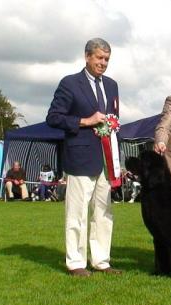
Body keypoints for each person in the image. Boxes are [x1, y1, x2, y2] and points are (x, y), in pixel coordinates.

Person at [46, 38, 122, 277]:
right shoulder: (70, 83)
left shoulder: (112, 85)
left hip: (106, 160)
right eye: (99, 58)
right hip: (80, 157)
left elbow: (112, 119)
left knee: (103, 212)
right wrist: (85, 121)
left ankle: (101, 261)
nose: (103, 63)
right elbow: (53, 117)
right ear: (87, 56)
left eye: (107, 59)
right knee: (77, 213)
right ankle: (76, 262)